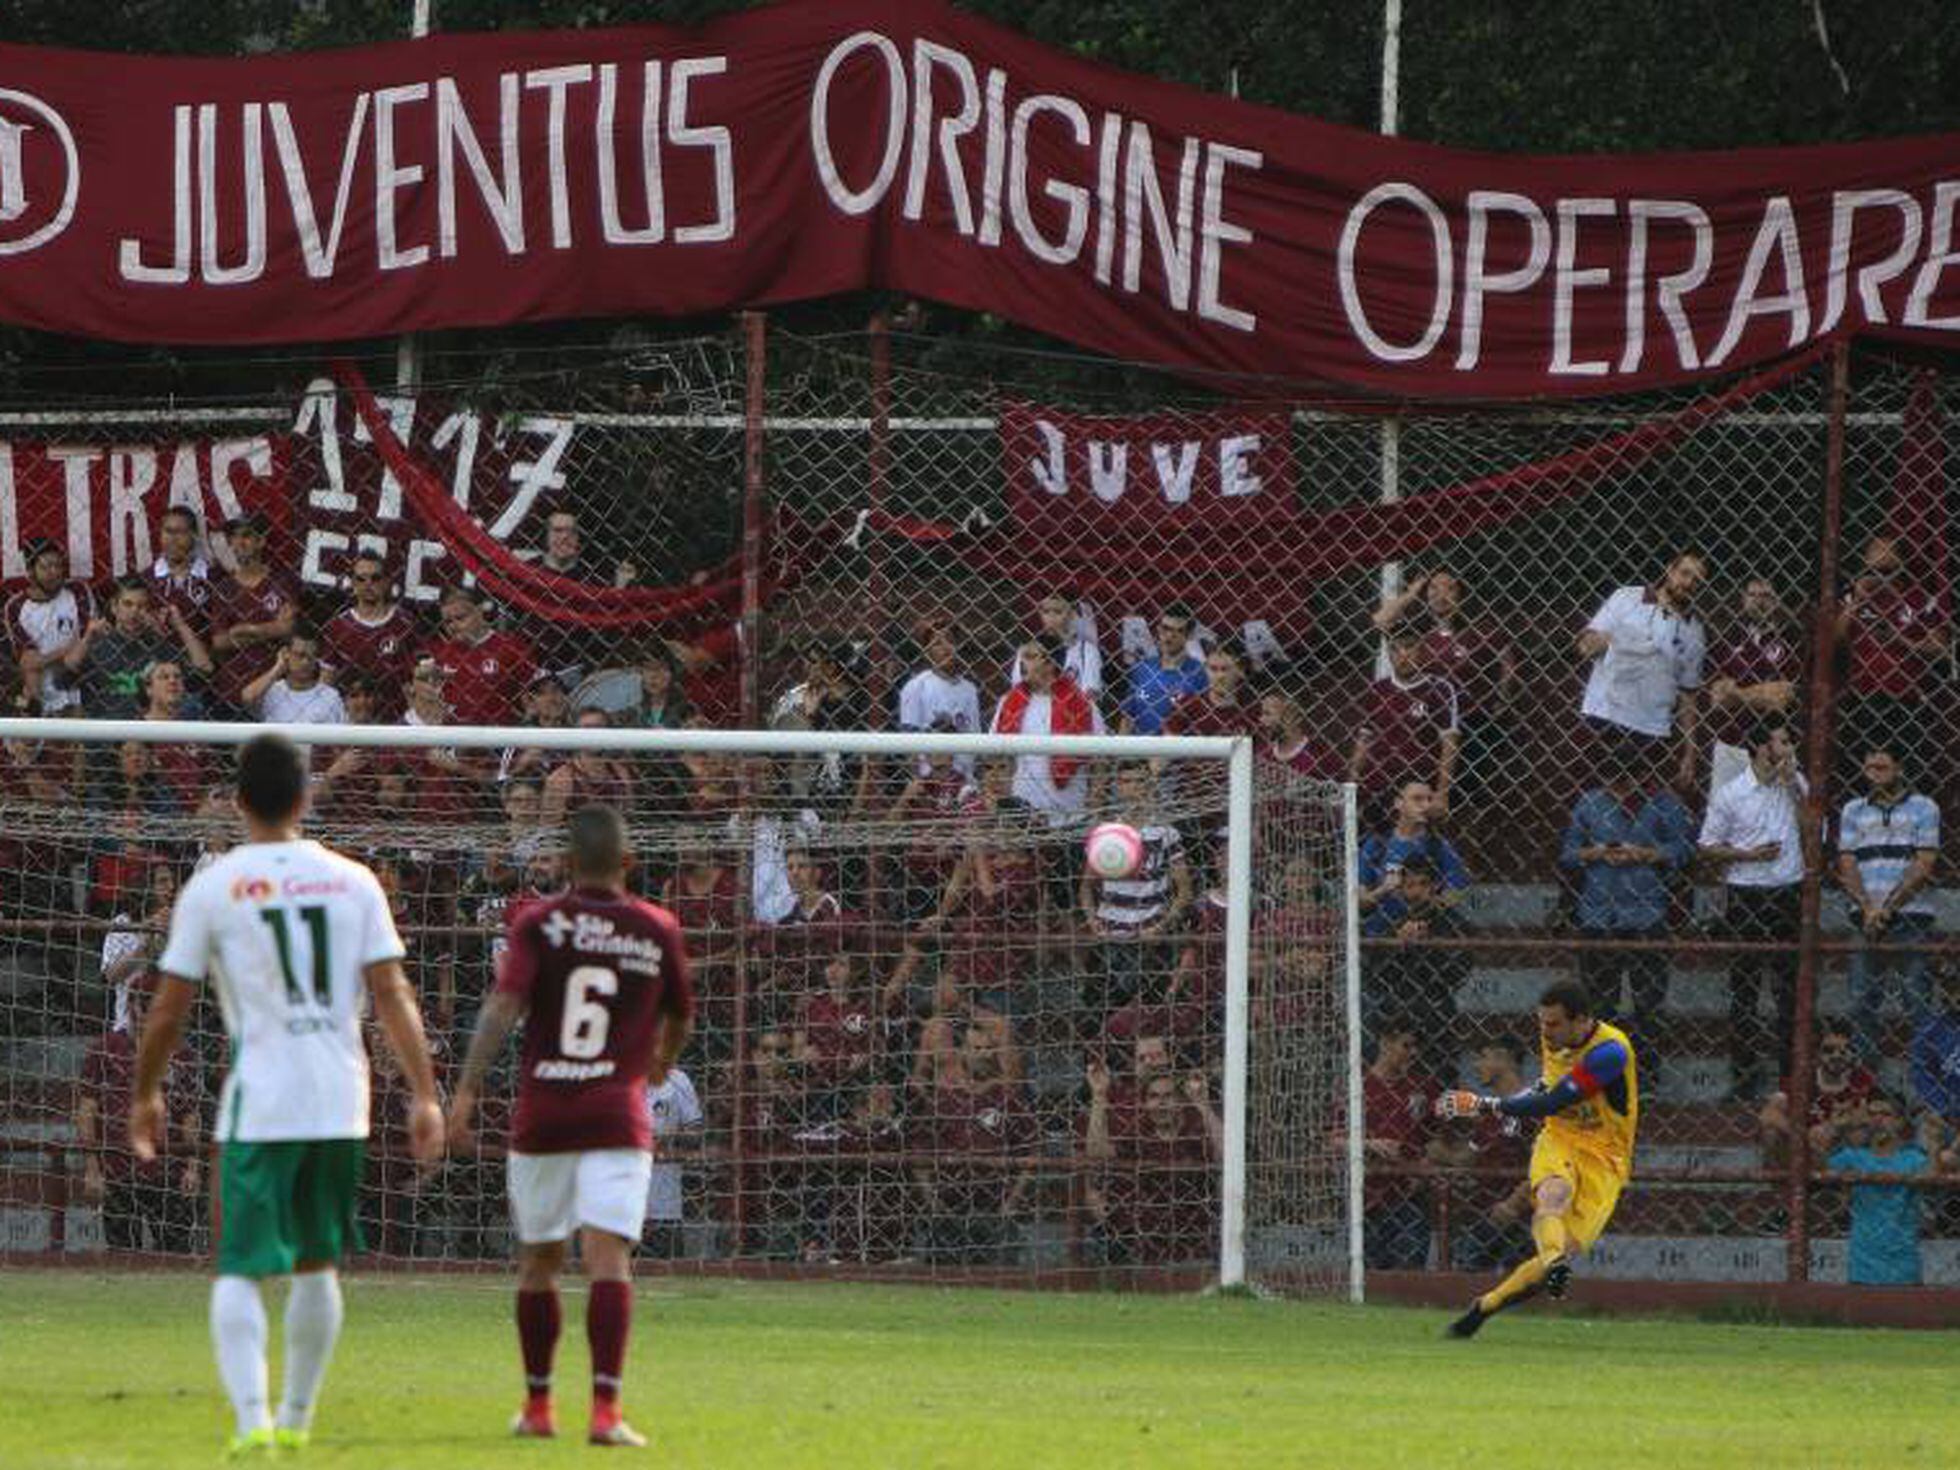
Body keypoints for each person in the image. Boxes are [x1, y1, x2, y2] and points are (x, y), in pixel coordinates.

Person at [127, 733, 443, 1454]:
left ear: (238, 803)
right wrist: (424, 1093)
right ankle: (298, 1420)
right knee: (317, 1261)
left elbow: (169, 1007)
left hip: (261, 1099)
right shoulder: (355, 880)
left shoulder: (213, 885)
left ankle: (251, 1423)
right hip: (341, 1097)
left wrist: (145, 1093)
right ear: (306, 798)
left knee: (239, 1262)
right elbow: (393, 993)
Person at [446, 805, 695, 1448]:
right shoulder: (656, 927)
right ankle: (606, 1413)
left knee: (539, 1262)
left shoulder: (538, 923)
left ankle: (537, 1405)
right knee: (608, 1259)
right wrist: (661, 1063)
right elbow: (682, 1014)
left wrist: (467, 1090)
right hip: (617, 1111)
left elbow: (503, 1006)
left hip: (545, 1111)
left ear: (566, 862)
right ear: (629, 862)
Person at [1438, 980, 1639, 1337]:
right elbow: (1548, 1086)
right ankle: (1554, 1261)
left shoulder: (1610, 1052)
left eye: (1554, 1024)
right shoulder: (1554, 1036)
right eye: (1542, 1022)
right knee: (1552, 1196)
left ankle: (1484, 1306)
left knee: (1560, 1250)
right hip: (1559, 1139)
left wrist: (1484, 1104)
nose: (1545, 1031)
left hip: (1605, 1158)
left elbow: (1553, 1100)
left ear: (1581, 1021)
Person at [1699, 716, 1810, 1098]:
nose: (1789, 749)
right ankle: (1744, 1076)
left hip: (1787, 890)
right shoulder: (1731, 793)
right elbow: (1708, 846)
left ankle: (1788, 1078)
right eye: (1781, 741)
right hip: (1746, 892)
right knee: (1744, 989)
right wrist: (1748, 854)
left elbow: (1813, 831)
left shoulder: (1796, 784)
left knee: (1788, 990)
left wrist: (1794, 786)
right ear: (1762, 748)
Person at [1559, 768, 1693, 1051]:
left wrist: (1645, 854)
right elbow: (1568, 853)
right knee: (1598, 1005)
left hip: (1647, 915)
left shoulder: (1662, 802)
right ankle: (1602, 1077)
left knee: (1649, 1004)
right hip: (1598, 914)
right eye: (1614, 783)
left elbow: (1683, 849)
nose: (1619, 790)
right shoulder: (1590, 802)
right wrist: (1596, 853)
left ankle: (1647, 1081)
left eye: (1625, 782)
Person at [1372, 568, 1518, 801]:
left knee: (1470, 796)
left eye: (1449, 587)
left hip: (1472, 722)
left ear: (1461, 594)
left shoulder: (1479, 629)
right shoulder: (1418, 630)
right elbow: (1380, 621)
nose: (1441, 594)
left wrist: (1503, 697)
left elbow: (1507, 659)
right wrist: (1411, 594)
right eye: (1433, 587)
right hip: (1428, 726)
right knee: (1425, 794)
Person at [1836, 746, 1940, 1062]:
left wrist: (1888, 907)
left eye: (1882, 767)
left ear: (1900, 768)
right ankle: (1867, 1083)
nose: (1875, 775)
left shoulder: (1924, 807)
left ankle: (1926, 1082)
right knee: (1860, 1001)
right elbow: (1847, 863)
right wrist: (1868, 908)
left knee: (1918, 1001)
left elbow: (1923, 864)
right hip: (1864, 917)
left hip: (1911, 915)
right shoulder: (1853, 810)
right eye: (1870, 769)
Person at [1577, 551, 1707, 790]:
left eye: (1697, 580)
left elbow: (1688, 696)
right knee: (1596, 801)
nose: (1688, 583)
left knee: (1639, 807)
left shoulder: (1694, 631)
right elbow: (1587, 643)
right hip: (1605, 716)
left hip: (1651, 730)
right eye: (1685, 573)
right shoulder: (1628, 597)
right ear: (1669, 570)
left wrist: (1690, 753)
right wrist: (1597, 642)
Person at [1834, 535, 1949, 766]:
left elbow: (1939, 647)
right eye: (1875, 551)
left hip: (1907, 700)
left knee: (1909, 766)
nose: (1881, 556)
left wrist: (1899, 640)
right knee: (1859, 765)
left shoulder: (1919, 598)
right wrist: (1857, 601)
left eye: (1887, 552)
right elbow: (1834, 640)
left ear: (1901, 562)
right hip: (1862, 698)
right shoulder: (1855, 594)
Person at [1703, 575, 1802, 798]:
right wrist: (1763, 692)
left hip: (1774, 747)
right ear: (1742, 599)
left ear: (1777, 601)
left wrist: (1737, 693)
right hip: (1731, 744)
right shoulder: (1727, 638)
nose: (1758, 601)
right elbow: (1718, 699)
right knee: (1724, 812)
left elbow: (1782, 698)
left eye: (1766, 596)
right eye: (1753, 595)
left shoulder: (1791, 639)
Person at [990, 640, 1105, 825]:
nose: (1021, 663)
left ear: (1050, 663)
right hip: (1023, 812)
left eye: (1029, 657)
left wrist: (1093, 805)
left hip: (1071, 813)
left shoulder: (1082, 704)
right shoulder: (1009, 702)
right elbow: (999, 758)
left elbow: (1100, 760)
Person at [1347, 628, 1461, 813]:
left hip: (1417, 789)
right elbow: (1364, 741)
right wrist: (1351, 783)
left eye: (1409, 646)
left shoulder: (1439, 689)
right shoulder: (1378, 689)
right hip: (1377, 786)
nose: (1403, 655)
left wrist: (1442, 794)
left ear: (1422, 649)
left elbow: (1449, 745)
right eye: (1395, 649)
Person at [66, 576, 212, 719]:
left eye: (141, 606)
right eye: (128, 604)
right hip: (105, 732)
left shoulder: (159, 647)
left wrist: (180, 625)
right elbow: (63, 678)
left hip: (147, 734)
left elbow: (204, 670)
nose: (134, 611)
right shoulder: (97, 646)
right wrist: (87, 637)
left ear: (148, 611)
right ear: (114, 607)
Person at [1824, 1093, 1932, 1286]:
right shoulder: (1854, 1156)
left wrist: (1936, 1143)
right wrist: (1835, 1130)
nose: (1878, 1119)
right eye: (1872, 1114)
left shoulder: (1913, 1157)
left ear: (1900, 1122)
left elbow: (1933, 1177)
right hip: (1863, 1265)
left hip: (1903, 1263)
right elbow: (1819, 1169)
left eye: (1886, 1114)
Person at [208, 514, 299, 719]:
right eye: (234, 537)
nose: (240, 542)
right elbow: (219, 641)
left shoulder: (282, 582)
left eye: (247, 536)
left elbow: (288, 629)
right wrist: (271, 628)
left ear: (261, 541)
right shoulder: (224, 588)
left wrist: (246, 631)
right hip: (232, 691)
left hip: (276, 690)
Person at [1757, 1023, 1876, 1168]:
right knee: (1771, 1132)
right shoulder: (1804, 1077)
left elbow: (1870, 1115)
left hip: (1838, 1146)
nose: (1836, 1056)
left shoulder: (1861, 1079)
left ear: (1853, 1053)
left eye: (1844, 1051)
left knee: (1860, 1133)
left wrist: (1835, 1127)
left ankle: (1843, 1185)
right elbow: (1768, 1114)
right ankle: (1781, 1183)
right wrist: (1805, 1135)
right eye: (1829, 1050)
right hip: (1803, 1145)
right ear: (1818, 1053)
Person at [426, 584, 539, 727]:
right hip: (453, 737)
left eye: (460, 618)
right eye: (448, 622)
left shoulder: (511, 647)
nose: (453, 626)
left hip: (501, 737)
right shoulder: (440, 653)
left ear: (479, 611)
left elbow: (534, 698)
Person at [320, 552, 419, 714]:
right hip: (352, 719)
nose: (368, 584)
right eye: (361, 579)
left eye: (375, 578)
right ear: (352, 583)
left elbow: (415, 678)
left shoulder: (405, 622)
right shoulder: (338, 626)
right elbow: (326, 681)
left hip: (397, 719)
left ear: (387, 582)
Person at [6, 538, 95, 714]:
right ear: (30, 572)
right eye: (45, 567)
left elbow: (87, 644)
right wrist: (66, 650)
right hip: (38, 690)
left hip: (77, 686)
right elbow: (29, 662)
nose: (54, 572)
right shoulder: (16, 606)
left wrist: (46, 659)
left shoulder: (78, 591)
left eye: (57, 565)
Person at [897, 623, 983, 773]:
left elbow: (974, 734)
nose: (946, 648)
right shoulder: (916, 686)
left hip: (964, 779)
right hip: (931, 778)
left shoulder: (969, 689)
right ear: (927, 652)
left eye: (950, 641)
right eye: (937, 644)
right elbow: (909, 742)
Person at [642, 1066, 704, 1260]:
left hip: (663, 1207)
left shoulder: (677, 1079)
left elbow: (696, 1134)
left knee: (668, 1276)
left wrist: (668, 1138)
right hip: (613, 1206)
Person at [1118, 605, 1207, 735]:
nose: (1170, 635)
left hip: (1178, 751)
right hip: (1138, 750)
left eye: (1178, 631)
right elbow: (1127, 718)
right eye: (1166, 629)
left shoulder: (1199, 673)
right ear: (1158, 629)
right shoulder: (1142, 669)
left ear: (1189, 635)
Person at [242, 631, 348, 725]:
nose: (305, 662)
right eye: (300, 655)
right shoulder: (271, 691)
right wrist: (278, 667)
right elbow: (248, 697)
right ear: (286, 653)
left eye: (311, 657)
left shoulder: (330, 696)